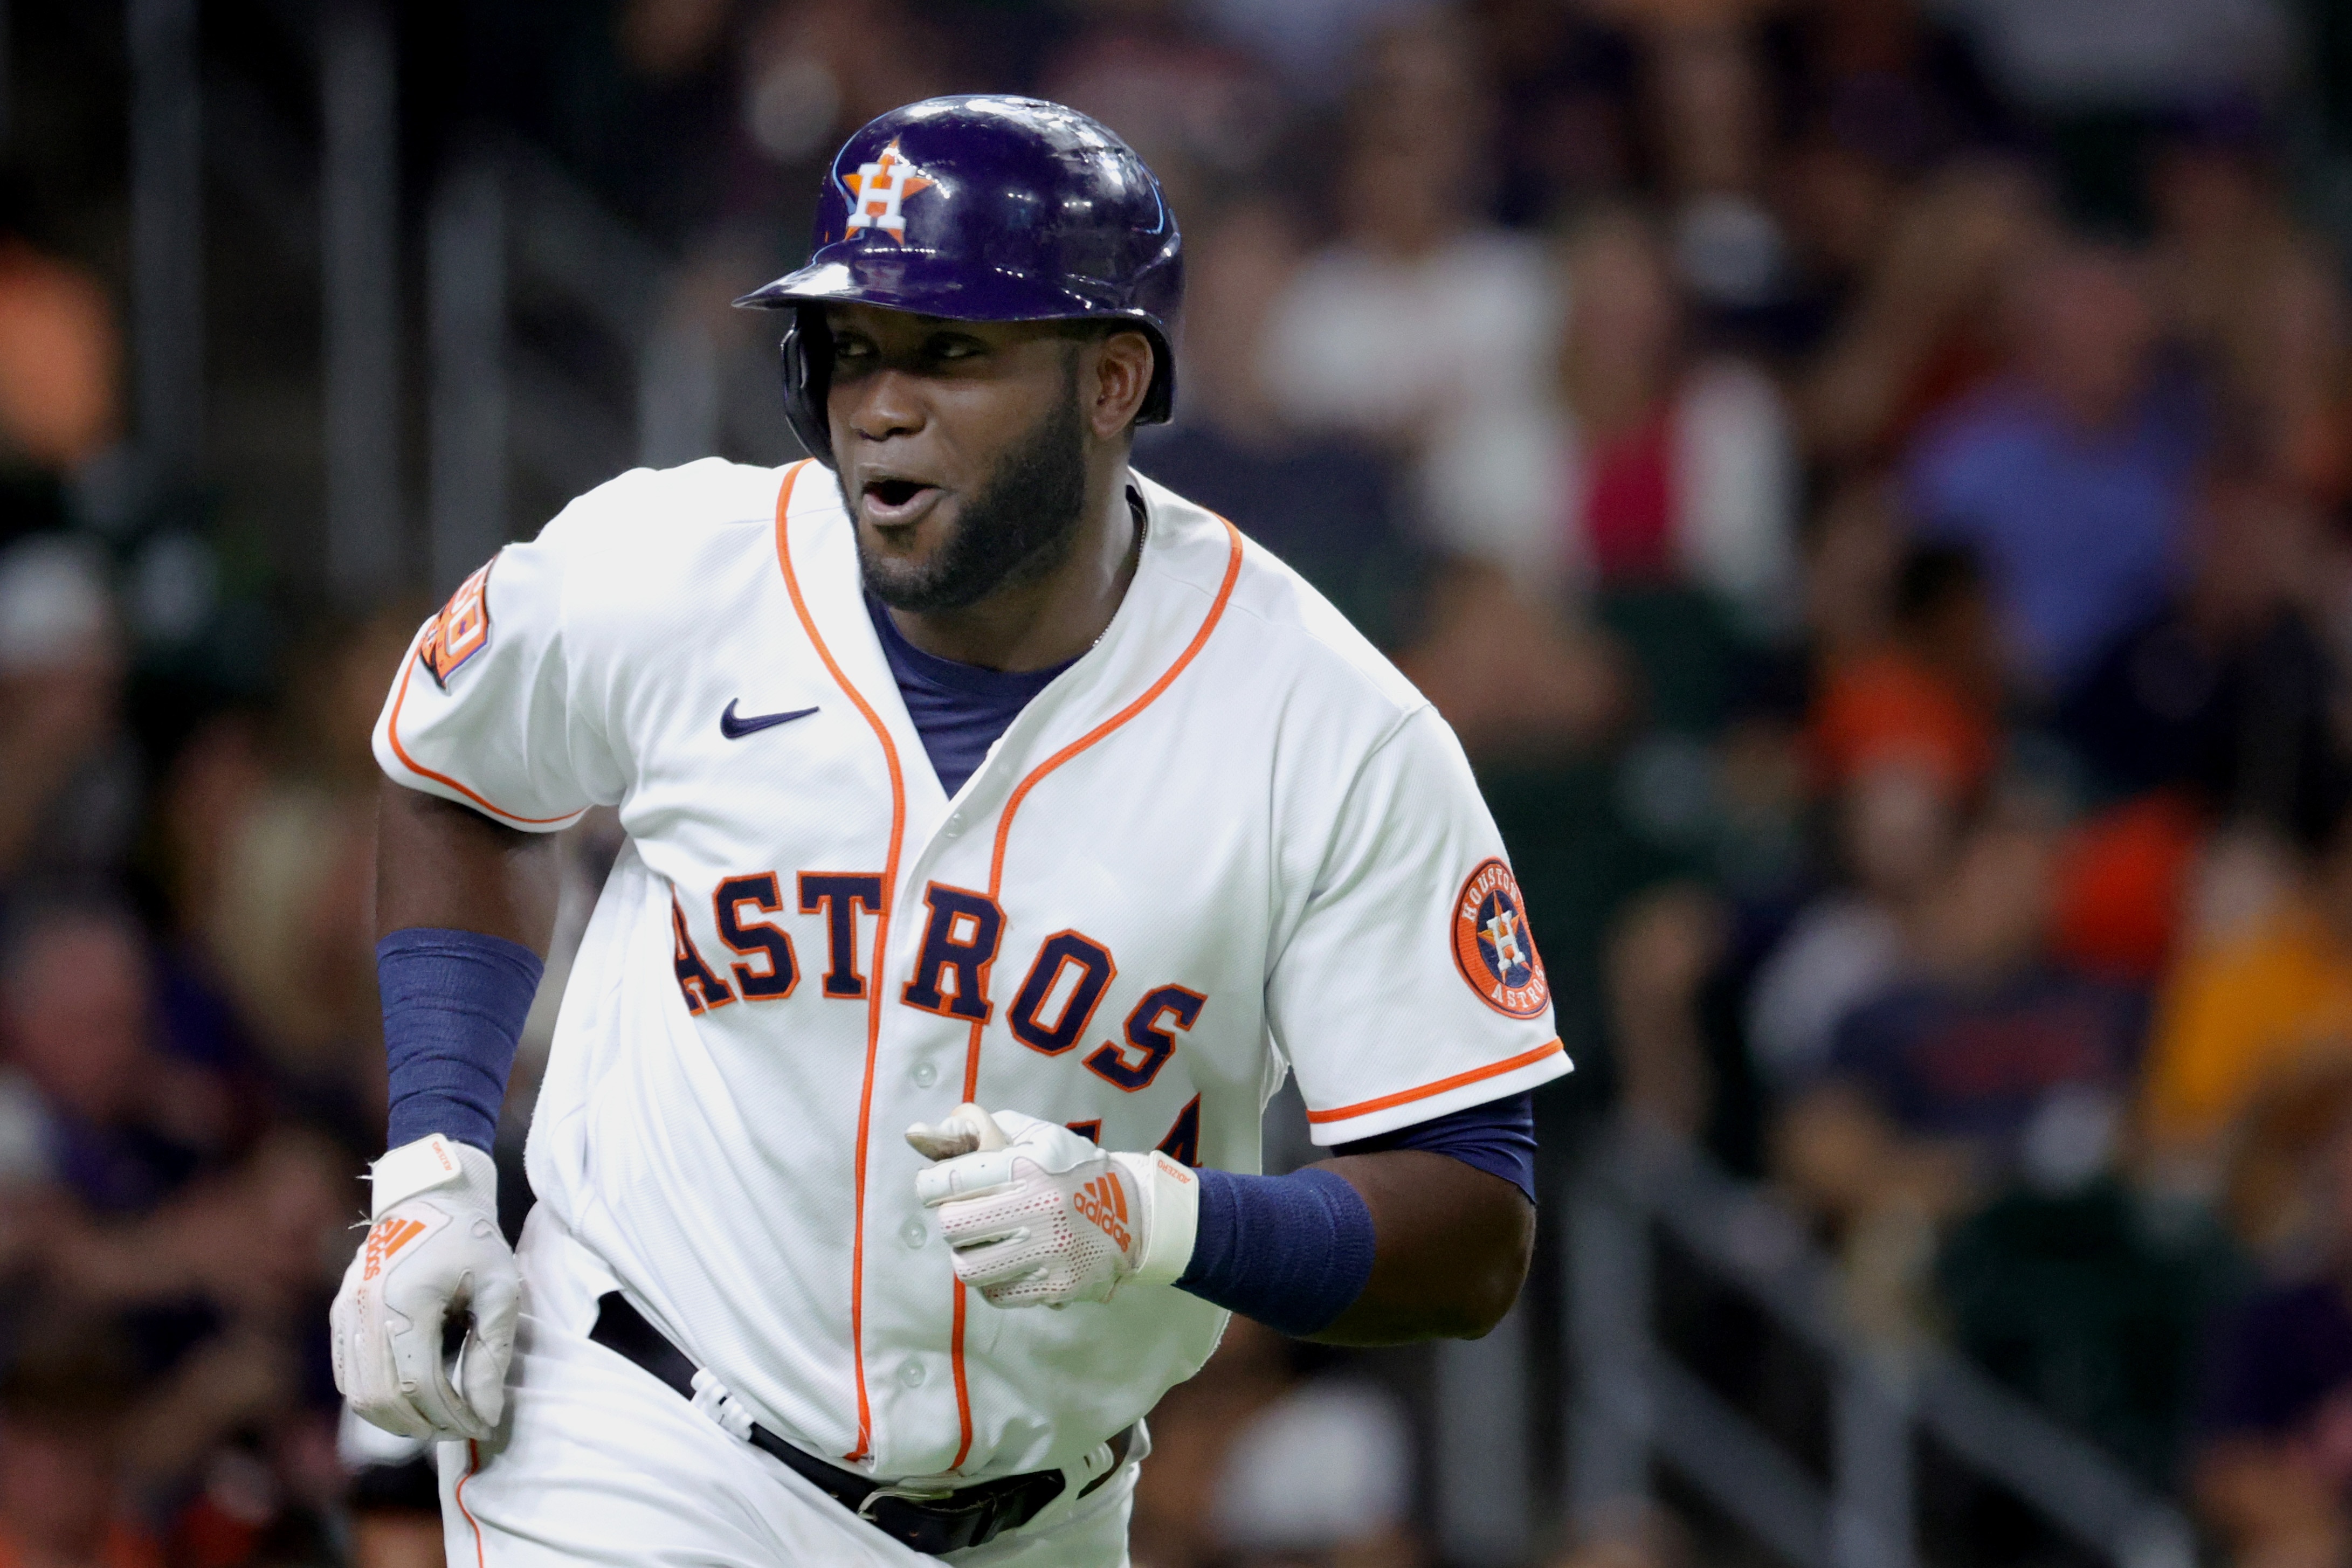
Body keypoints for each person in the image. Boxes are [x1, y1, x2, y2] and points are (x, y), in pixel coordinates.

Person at [330, 97, 1566, 1567]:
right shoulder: (669, 570)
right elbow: (456, 778)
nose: (881, 403)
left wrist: (1159, 1223)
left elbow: (1473, 1223)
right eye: (853, 348)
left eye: (951, 352)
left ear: (1113, 379)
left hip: (1040, 1517)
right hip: (638, 1434)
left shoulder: (1323, 726)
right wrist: (435, 1172)